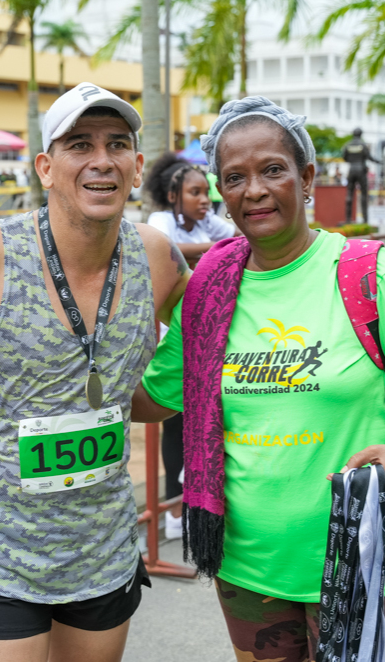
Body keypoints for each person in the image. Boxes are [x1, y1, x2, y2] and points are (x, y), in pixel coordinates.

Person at [132, 97, 385, 661]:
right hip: (247, 569)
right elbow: (151, 398)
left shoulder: (371, 274)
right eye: (234, 178)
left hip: (358, 558)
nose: (254, 190)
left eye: (272, 170)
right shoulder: (210, 288)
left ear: (306, 176)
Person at [0, 83, 190, 662]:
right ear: (46, 168)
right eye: (79, 144)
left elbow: (192, 352)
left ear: (136, 166)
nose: (101, 160)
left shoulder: (157, 255)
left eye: (117, 145)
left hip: (103, 547)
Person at [144, 152, 238, 539]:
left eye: (207, 192)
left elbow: (236, 238)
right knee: (176, 426)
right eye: (195, 193)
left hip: (210, 337)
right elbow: (163, 250)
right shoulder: (161, 222)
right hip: (175, 342)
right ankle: (174, 512)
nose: (204, 200)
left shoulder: (205, 222)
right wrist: (214, 254)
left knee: (207, 422)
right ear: (172, 195)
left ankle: (200, 501)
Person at [341, 127, 378, 223]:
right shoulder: (363, 145)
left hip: (351, 170)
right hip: (361, 170)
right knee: (364, 194)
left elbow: (344, 157)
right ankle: (365, 219)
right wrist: (378, 161)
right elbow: (370, 157)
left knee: (349, 193)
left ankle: (348, 219)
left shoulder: (348, 145)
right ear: (361, 134)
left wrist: (352, 161)